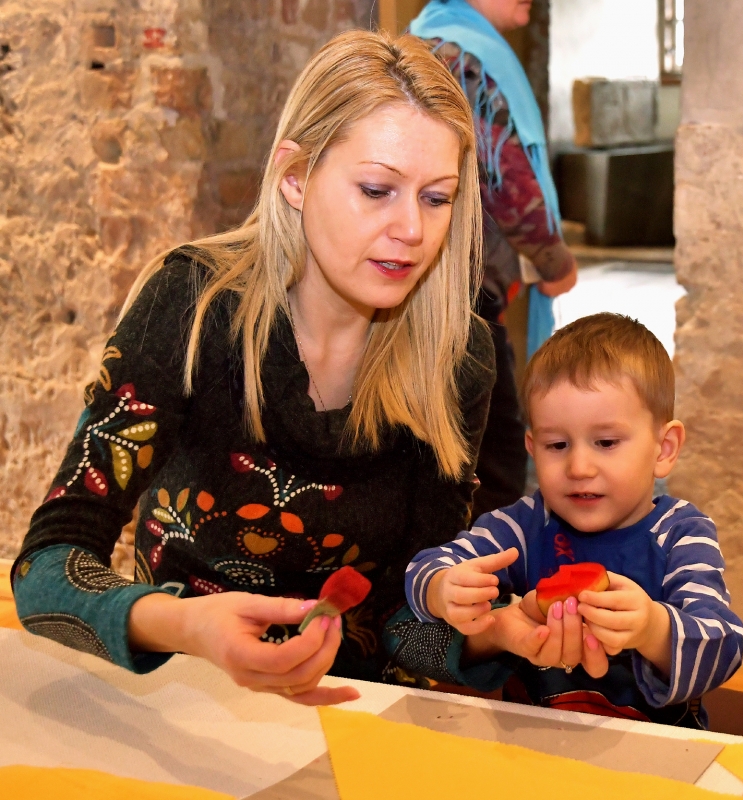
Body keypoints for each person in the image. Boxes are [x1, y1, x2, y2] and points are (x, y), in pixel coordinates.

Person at [9, 31, 576, 705]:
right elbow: (48, 565)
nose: (413, 231)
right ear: (295, 177)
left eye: (436, 198)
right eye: (376, 190)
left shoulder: (456, 357)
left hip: (355, 721)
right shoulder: (191, 308)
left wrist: (494, 633)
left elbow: (408, 618)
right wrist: (186, 626)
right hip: (184, 701)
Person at [404, 314, 743, 727]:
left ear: (664, 448)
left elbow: (725, 647)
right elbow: (426, 567)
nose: (579, 467)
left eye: (606, 442)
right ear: (533, 449)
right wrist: (442, 588)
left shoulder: (682, 535)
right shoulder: (525, 525)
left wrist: (652, 629)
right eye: (557, 445)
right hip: (530, 743)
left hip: (657, 752)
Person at [412, 0, 579, 517]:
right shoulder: (460, 57)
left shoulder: (439, 45)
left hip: (450, 286)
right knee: (495, 455)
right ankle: (484, 561)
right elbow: (503, 175)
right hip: (458, 293)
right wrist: (553, 259)